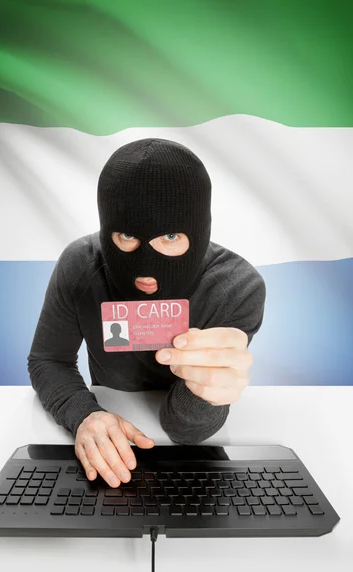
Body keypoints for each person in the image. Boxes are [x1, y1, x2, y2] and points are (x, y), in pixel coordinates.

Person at [27, 138, 266, 489]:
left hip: (194, 458)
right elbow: (48, 359)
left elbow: (185, 430)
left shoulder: (235, 287)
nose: (145, 266)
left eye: (170, 235)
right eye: (126, 235)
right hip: (106, 444)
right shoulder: (80, 264)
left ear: (199, 232)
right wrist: (84, 415)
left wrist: (205, 391)